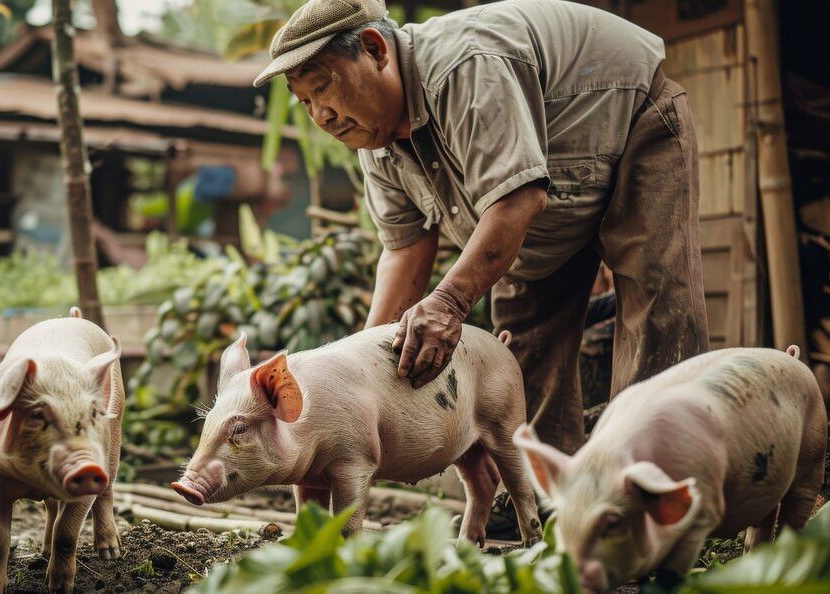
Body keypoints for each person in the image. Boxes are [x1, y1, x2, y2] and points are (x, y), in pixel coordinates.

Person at [253, 0, 709, 459]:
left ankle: (655, 484)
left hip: (633, 118)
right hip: (547, 194)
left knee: (655, 307)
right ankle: (541, 494)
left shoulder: (464, 67)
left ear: (375, 50)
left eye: (322, 87)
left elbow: (517, 199)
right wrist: (355, 367)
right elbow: (406, 250)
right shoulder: (375, 142)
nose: (320, 116)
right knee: (525, 341)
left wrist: (449, 302)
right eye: (305, 101)